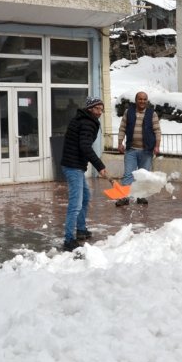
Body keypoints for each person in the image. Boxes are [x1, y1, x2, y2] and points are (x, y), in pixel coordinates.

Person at [60, 97, 108, 251]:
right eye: (97, 109)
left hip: (75, 165)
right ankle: (68, 239)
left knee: (85, 197)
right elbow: (85, 147)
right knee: (75, 203)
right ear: (90, 109)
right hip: (73, 167)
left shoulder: (82, 119)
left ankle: (80, 229)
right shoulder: (87, 122)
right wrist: (100, 166)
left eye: (101, 109)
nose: (100, 112)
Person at [115, 91, 161, 206]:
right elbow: (122, 128)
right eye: (140, 99)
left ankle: (141, 197)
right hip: (131, 149)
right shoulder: (128, 112)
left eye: (144, 99)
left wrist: (157, 146)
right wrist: (120, 143)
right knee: (128, 175)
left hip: (146, 150)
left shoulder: (152, 114)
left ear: (147, 101)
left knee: (143, 176)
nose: (142, 101)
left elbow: (157, 131)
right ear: (136, 100)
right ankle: (124, 197)